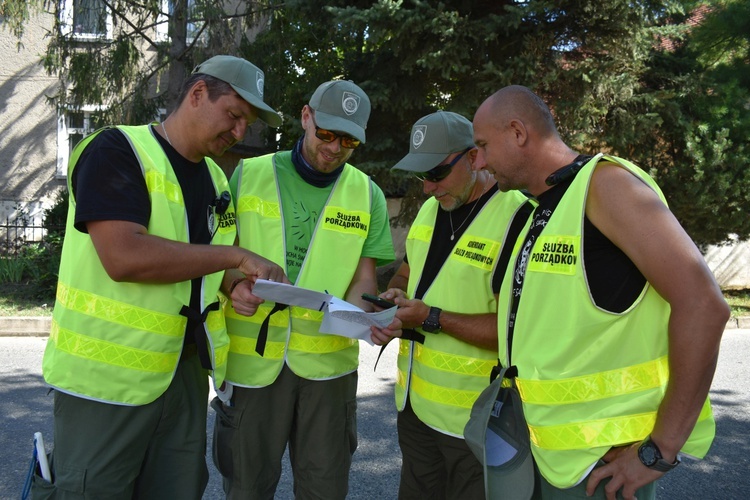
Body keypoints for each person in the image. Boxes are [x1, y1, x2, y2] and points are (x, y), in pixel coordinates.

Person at [33, 55, 288, 500]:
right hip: (105, 383)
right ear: (196, 95)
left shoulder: (215, 178)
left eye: (247, 123)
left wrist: (236, 285)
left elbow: (207, 266)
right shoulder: (115, 150)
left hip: (183, 375)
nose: (239, 132)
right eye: (233, 115)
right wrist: (236, 255)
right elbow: (124, 256)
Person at [471, 85, 730, 499]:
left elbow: (703, 305)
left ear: (518, 133)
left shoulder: (606, 186)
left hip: (602, 468)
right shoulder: (541, 208)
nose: (480, 162)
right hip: (545, 453)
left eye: (483, 146)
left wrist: (660, 449)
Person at [212, 79, 395, 500]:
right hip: (253, 366)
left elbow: (365, 279)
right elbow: (219, 256)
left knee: (324, 488)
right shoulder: (248, 174)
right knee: (247, 487)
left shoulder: (368, 194)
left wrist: (364, 318)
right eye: (326, 134)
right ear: (306, 116)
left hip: (328, 371)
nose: (334, 148)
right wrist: (234, 284)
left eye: (348, 141)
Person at [368, 110, 533, 499]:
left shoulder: (518, 219)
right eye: (420, 176)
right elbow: (408, 274)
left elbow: (519, 331)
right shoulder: (432, 208)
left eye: (436, 174)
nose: (427, 188)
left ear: (475, 157)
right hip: (415, 411)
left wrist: (430, 318)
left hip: (476, 421)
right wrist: (394, 296)